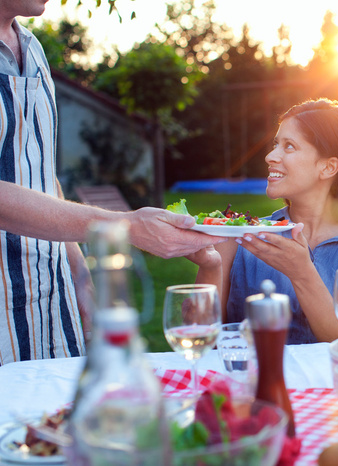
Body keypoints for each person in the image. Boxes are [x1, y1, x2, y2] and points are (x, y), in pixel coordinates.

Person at [0, 0, 226, 364]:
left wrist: (78, 270)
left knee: (59, 416)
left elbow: (40, 172)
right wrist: (124, 226)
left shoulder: (34, 49)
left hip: (51, 295)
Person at [189, 98, 338, 344]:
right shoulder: (237, 238)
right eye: (275, 144)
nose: (271, 156)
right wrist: (209, 267)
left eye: (288, 146)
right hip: (249, 381)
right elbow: (197, 336)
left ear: (328, 167)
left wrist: (302, 274)